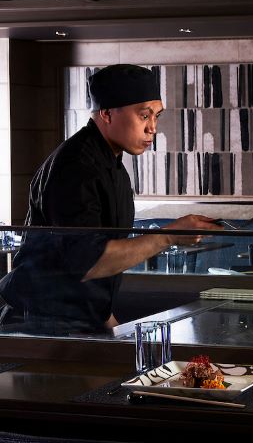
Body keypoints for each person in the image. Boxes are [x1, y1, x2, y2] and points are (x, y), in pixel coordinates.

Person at [0, 64, 221, 334]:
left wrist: (108, 321)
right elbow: (89, 261)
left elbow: (97, 266)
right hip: (39, 322)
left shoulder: (113, 165)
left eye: (156, 116)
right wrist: (169, 236)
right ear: (106, 113)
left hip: (79, 320)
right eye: (144, 115)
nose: (153, 127)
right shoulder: (75, 165)